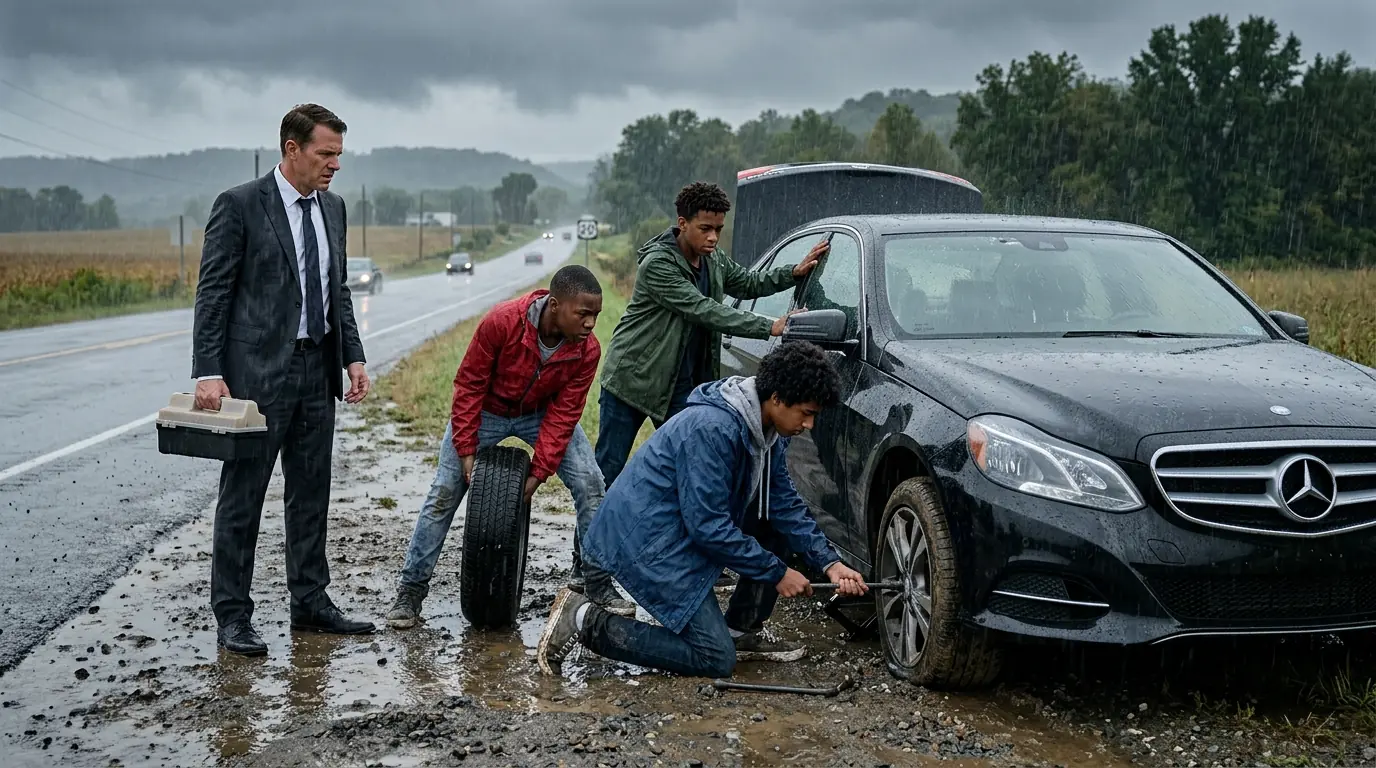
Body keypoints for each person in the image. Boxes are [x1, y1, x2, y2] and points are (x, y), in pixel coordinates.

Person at [536, 341, 867, 677]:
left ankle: (741, 630)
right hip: (647, 539)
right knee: (716, 659)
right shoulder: (714, 428)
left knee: (773, 522)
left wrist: (830, 563)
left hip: (675, 529)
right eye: (807, 413)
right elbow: (708, 527)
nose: (809, 425)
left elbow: (784, 502)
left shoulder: (769, 430)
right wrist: (777, 572)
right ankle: (583, 620)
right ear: (778, 398)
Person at [192, 103, 373, 656]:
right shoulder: (241, 206)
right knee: (243, 496)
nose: (334, 165)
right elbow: (214, 293)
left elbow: (337, 288)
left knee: (311, 491)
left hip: (318, 371)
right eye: (325, 153)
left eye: (339, 155)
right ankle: (233, 615)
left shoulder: (334, 209)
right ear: (291, 149)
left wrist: (354, 356)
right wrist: (208, 371)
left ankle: (311, 603)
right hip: (255, 378)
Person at [385, 264, 636, 628]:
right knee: (444, 489)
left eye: (595, 316)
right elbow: (469, 384)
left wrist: (538, 473)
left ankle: (596, 581)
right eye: (582, 314)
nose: (590, 324)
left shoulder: (587, 351)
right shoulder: (502, 322)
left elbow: (565, 414)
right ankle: (410, 593)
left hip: (540, 413)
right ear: (554, 305)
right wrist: (467, 450)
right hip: (488, 409)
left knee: (590, 482)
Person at [594, 181, 830, 490]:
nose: (713, 237)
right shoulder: (658, 265)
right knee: (606, 471)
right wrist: (769, 326)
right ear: (683, 224)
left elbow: (747, 282)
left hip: (681, 386)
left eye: (718, 228)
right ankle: (587, 538)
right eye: (705, 228)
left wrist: (791, 273)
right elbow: (704, 309)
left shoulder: (713, 258)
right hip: (633, 381)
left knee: (687, 466)